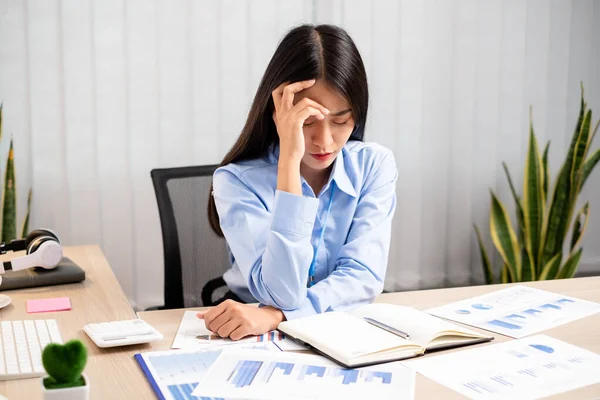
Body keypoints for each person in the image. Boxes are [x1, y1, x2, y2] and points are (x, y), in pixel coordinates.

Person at [198, 24, 398, 341]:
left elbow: (362, 277)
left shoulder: (373, 165)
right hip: (249, 335)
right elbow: (284, 293)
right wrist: (289, 162)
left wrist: (277, 317)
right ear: (278, 112)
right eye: (308, 121)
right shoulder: (235, 181)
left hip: (335, 330)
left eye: (341, 120)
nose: (325, 141)